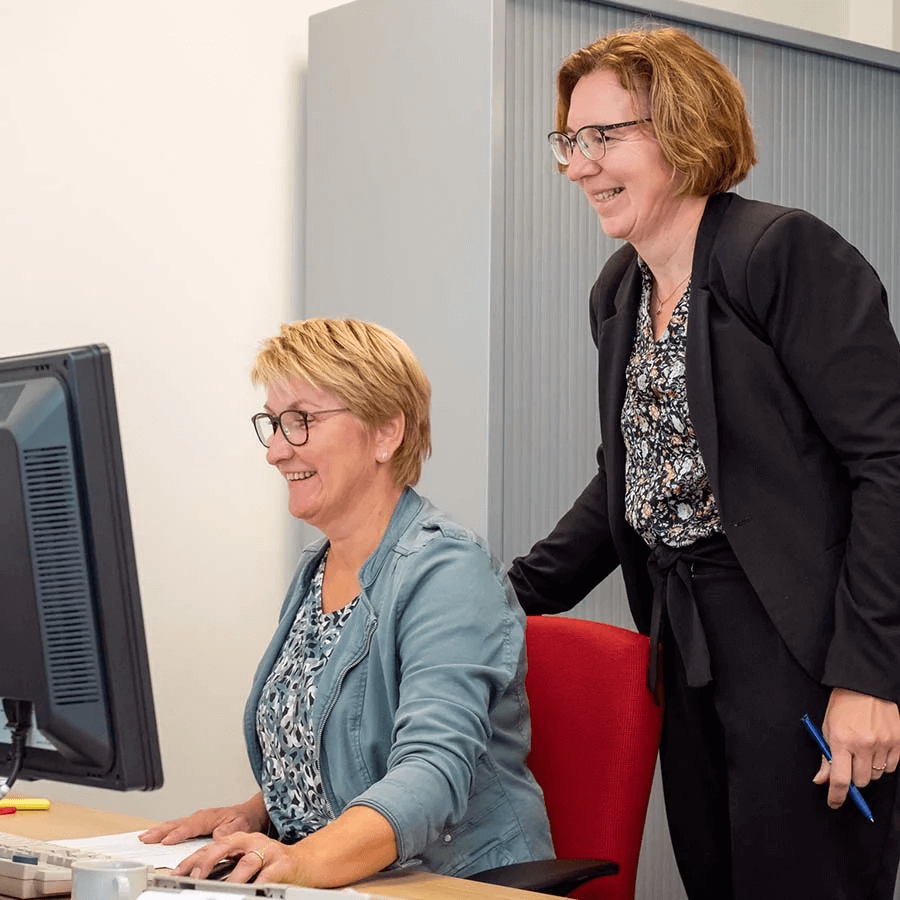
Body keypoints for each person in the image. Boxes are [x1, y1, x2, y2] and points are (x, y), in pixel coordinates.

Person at [507, 26, 900, 900]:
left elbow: (890, 463)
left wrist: (870, 677)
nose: (578, 164)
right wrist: (503, 596)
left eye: (604, 137)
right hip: (683, 643)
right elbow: (629, 478)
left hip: (798, 643)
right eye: (570, 140)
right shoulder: (620, 290)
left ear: (681, 130)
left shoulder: (782, 255)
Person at [141, 318, 553, 887]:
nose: (277, 452)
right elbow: (340, 744)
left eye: (301, 422)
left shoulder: (447, 571)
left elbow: (430, 773)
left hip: (451, 882)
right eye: (274, 423)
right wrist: (257, 812)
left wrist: (300, 862)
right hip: (348, 880)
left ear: (387, 433)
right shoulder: (317, 568)